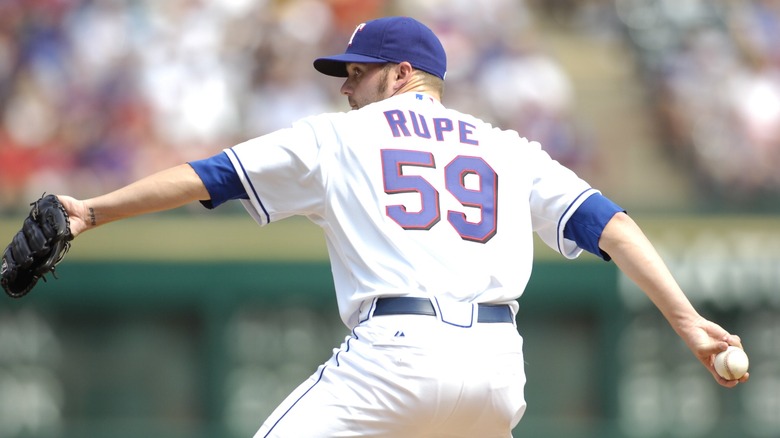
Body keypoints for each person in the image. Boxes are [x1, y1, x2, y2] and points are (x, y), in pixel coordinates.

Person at [53, 16, 747, 438]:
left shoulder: (340, 138)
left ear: (400, 75)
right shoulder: (507, 146)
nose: (344, 87)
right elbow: (613, 225)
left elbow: (209, 176)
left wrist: (91, 209)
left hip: (396, 355)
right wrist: (686, 320)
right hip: (498, 372)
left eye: (355, 73)